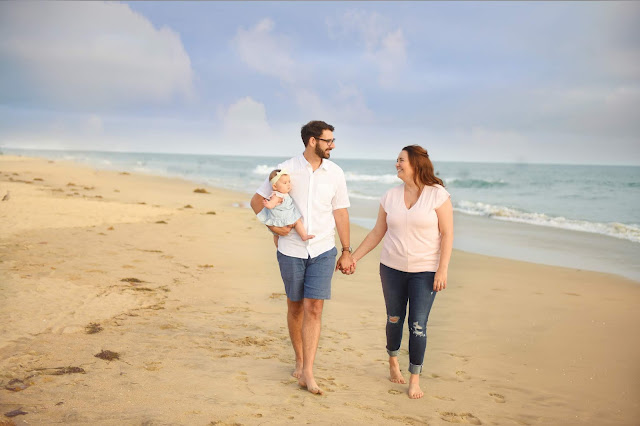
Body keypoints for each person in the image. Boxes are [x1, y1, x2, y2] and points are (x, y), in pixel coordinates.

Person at [250, 120, 354, 395]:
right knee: (295, 307)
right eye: (328, 140)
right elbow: (256, 201)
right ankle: (298, 358)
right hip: (291, 249)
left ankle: (308, 369)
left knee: (315, 308)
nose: (333, 145)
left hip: (323, 249)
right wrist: (273, 227)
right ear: (312, 141)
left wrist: (346, 250)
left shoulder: (336, 173)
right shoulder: (287, 169)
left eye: (332, 140)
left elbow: (340, 212)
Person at [348, 145, 453, 399]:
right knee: (394, 318)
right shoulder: (390, 196)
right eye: (397, 160)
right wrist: (353, 257)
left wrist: (442, 270)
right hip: (392, 268)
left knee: (418, 325)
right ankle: (393, 361)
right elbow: (377, 232)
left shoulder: (437, 195)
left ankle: (414, 378)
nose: (397, 164)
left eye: (401, 160)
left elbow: (447, 233)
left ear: (415, 164)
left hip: (425, 272)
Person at [257, 169, 315, 247]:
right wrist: (268, 204)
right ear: (275, 186)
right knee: (297, 221)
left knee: (276, 235)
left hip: (281, 219)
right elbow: (272, 203)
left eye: (289, 182)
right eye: (285, 183)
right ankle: (303, 235)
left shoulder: (284, 194)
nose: (288, 184)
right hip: (284, 218)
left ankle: (278, 246)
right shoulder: (277, 195)